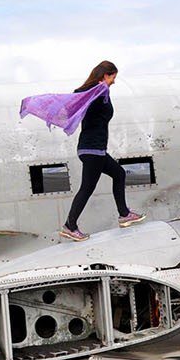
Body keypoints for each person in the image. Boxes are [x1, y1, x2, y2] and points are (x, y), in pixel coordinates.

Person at [60, 60, 145, 241]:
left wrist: (96, 91)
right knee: (87, 188)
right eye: (113, 77)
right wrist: (97, 91)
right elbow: (78, 99)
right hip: (93, 149)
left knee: (119, 173)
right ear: (105, 75)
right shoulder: (97, 92)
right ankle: (70, 226)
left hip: (92, 148)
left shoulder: (95, 92)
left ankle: (124, 214)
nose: (114, 81)